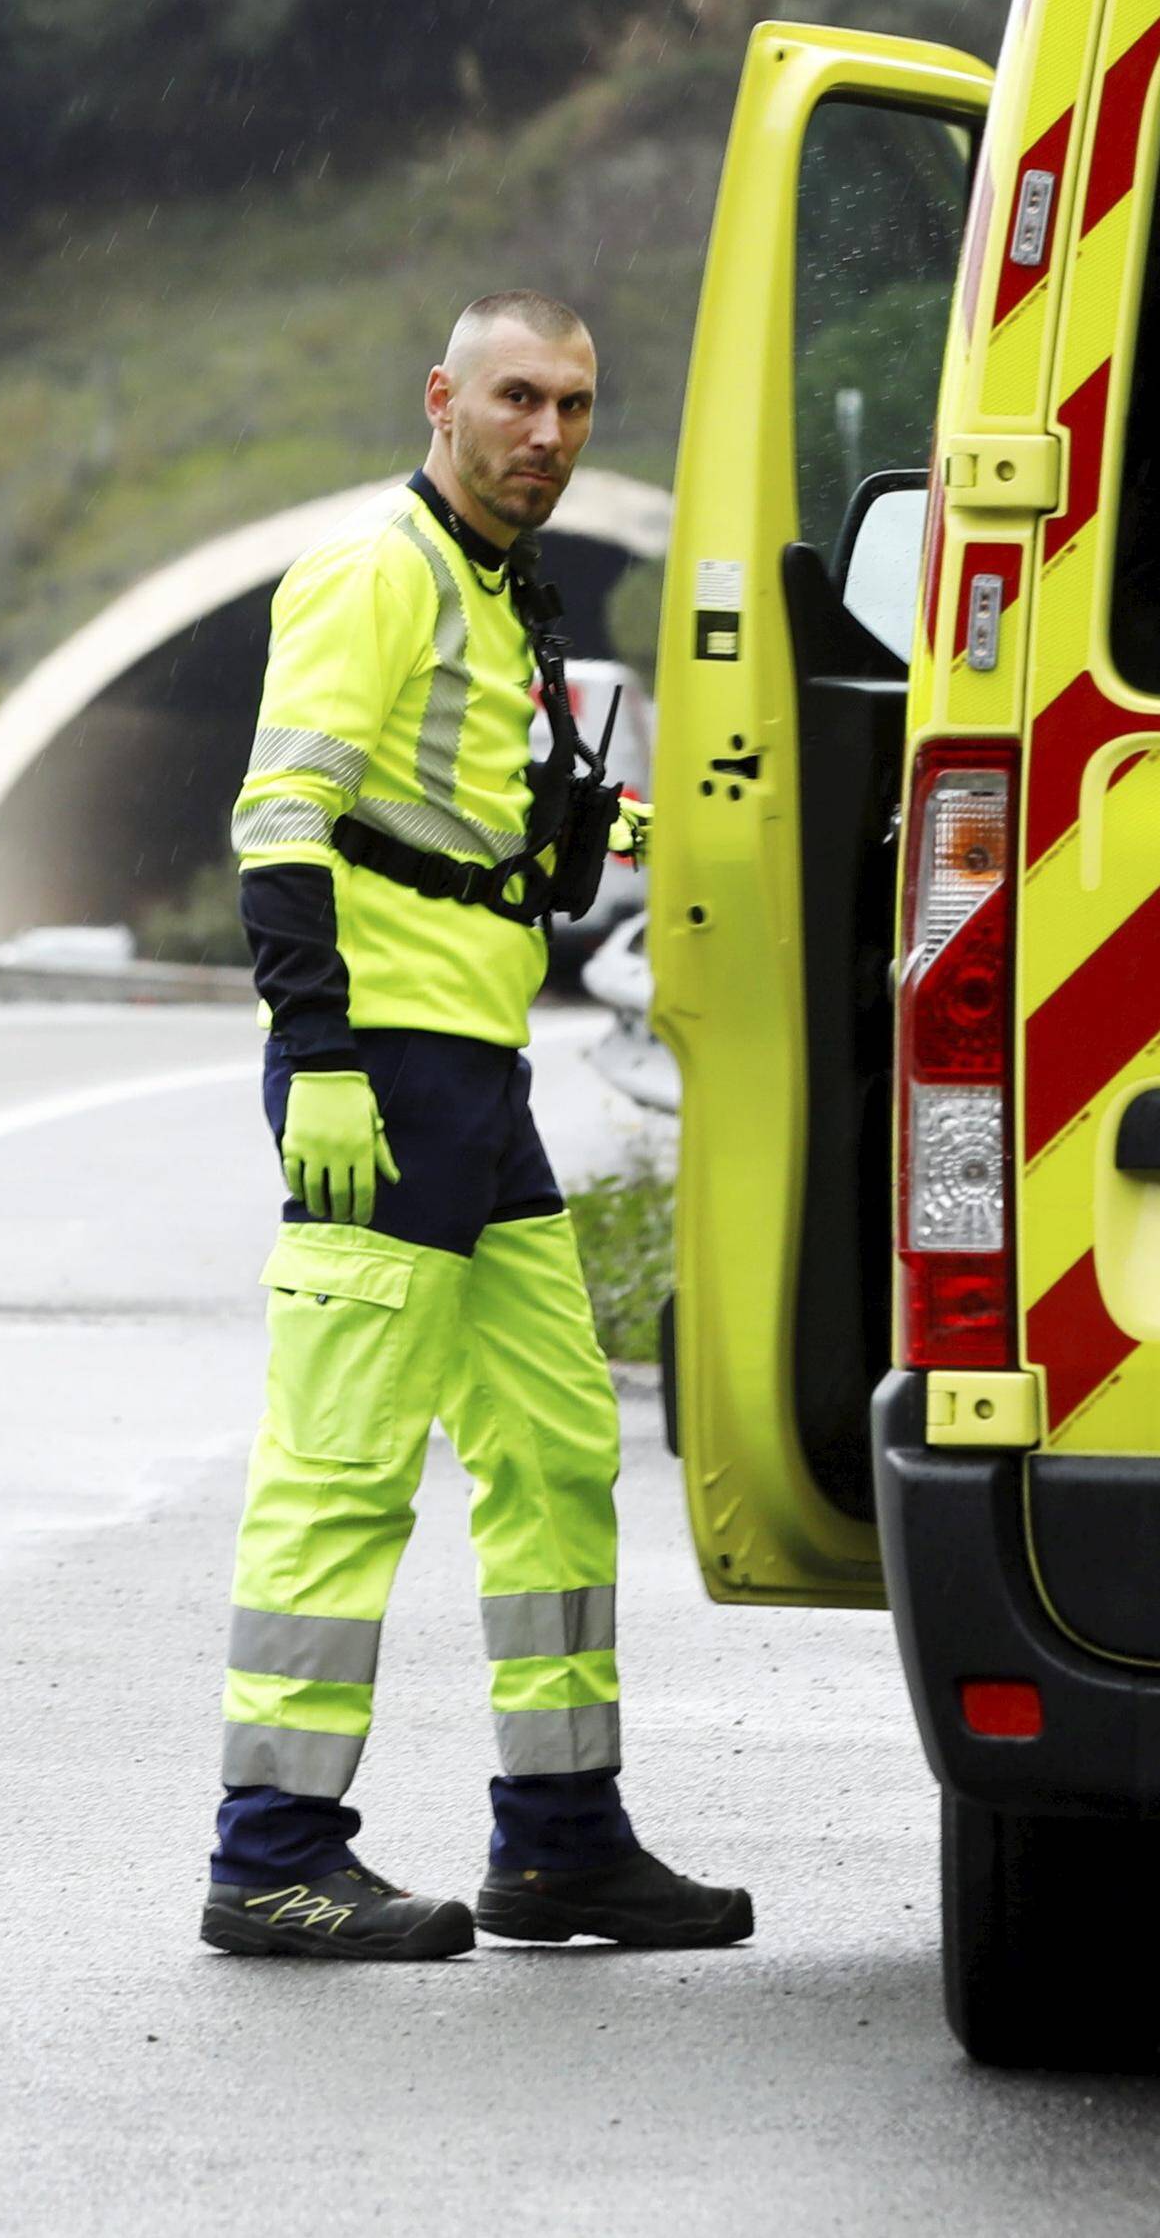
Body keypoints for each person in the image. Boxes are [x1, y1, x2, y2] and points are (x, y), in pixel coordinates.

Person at [202, 293, 753, 1962]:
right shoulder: (377, 571)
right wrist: (321, 1051)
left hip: (475, 1072)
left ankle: (563, 1843)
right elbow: (281, 815)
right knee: (343, 1469)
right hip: (381, 1068)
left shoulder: (501, 595)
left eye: (576, 406)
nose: (549, 435)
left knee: (555, 1452)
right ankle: (272, 1857)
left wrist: (711, 830)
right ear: (442, 398)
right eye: (519, 398)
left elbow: (495, 829)